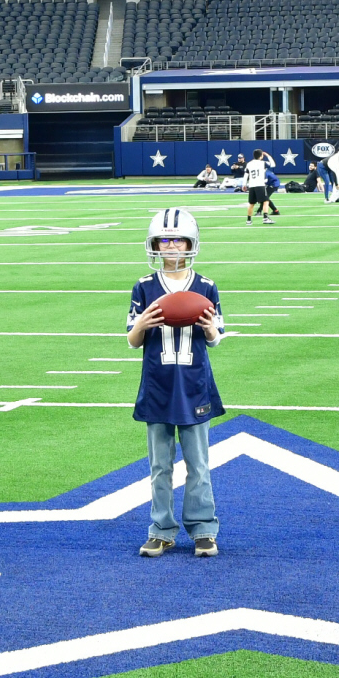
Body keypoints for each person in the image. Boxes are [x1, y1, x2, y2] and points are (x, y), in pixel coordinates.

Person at [125, 208, 225, 558]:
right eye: (164, 240)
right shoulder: (144, 286)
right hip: (158, 383)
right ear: (154, 244)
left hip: (194, 383)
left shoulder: (206, 286)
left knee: (198, 464)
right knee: (159, 466)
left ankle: (203, 529)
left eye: (177, 239)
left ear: (190, 242)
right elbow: (132, 340)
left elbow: (216, 338)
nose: (170, 246)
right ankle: (161, 529)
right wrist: (142, 324)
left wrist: (209, 328)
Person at [242, 151, 269, 222]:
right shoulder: (262, 163)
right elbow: (273, 164)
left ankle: (248, 220)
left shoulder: (249, 163)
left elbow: (246, 175)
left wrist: (244, 184)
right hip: (260, 184)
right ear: (261, 156)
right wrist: (268, 155)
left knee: (251, 204)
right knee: (266, 201)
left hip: (251, 185)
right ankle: (265, 218)